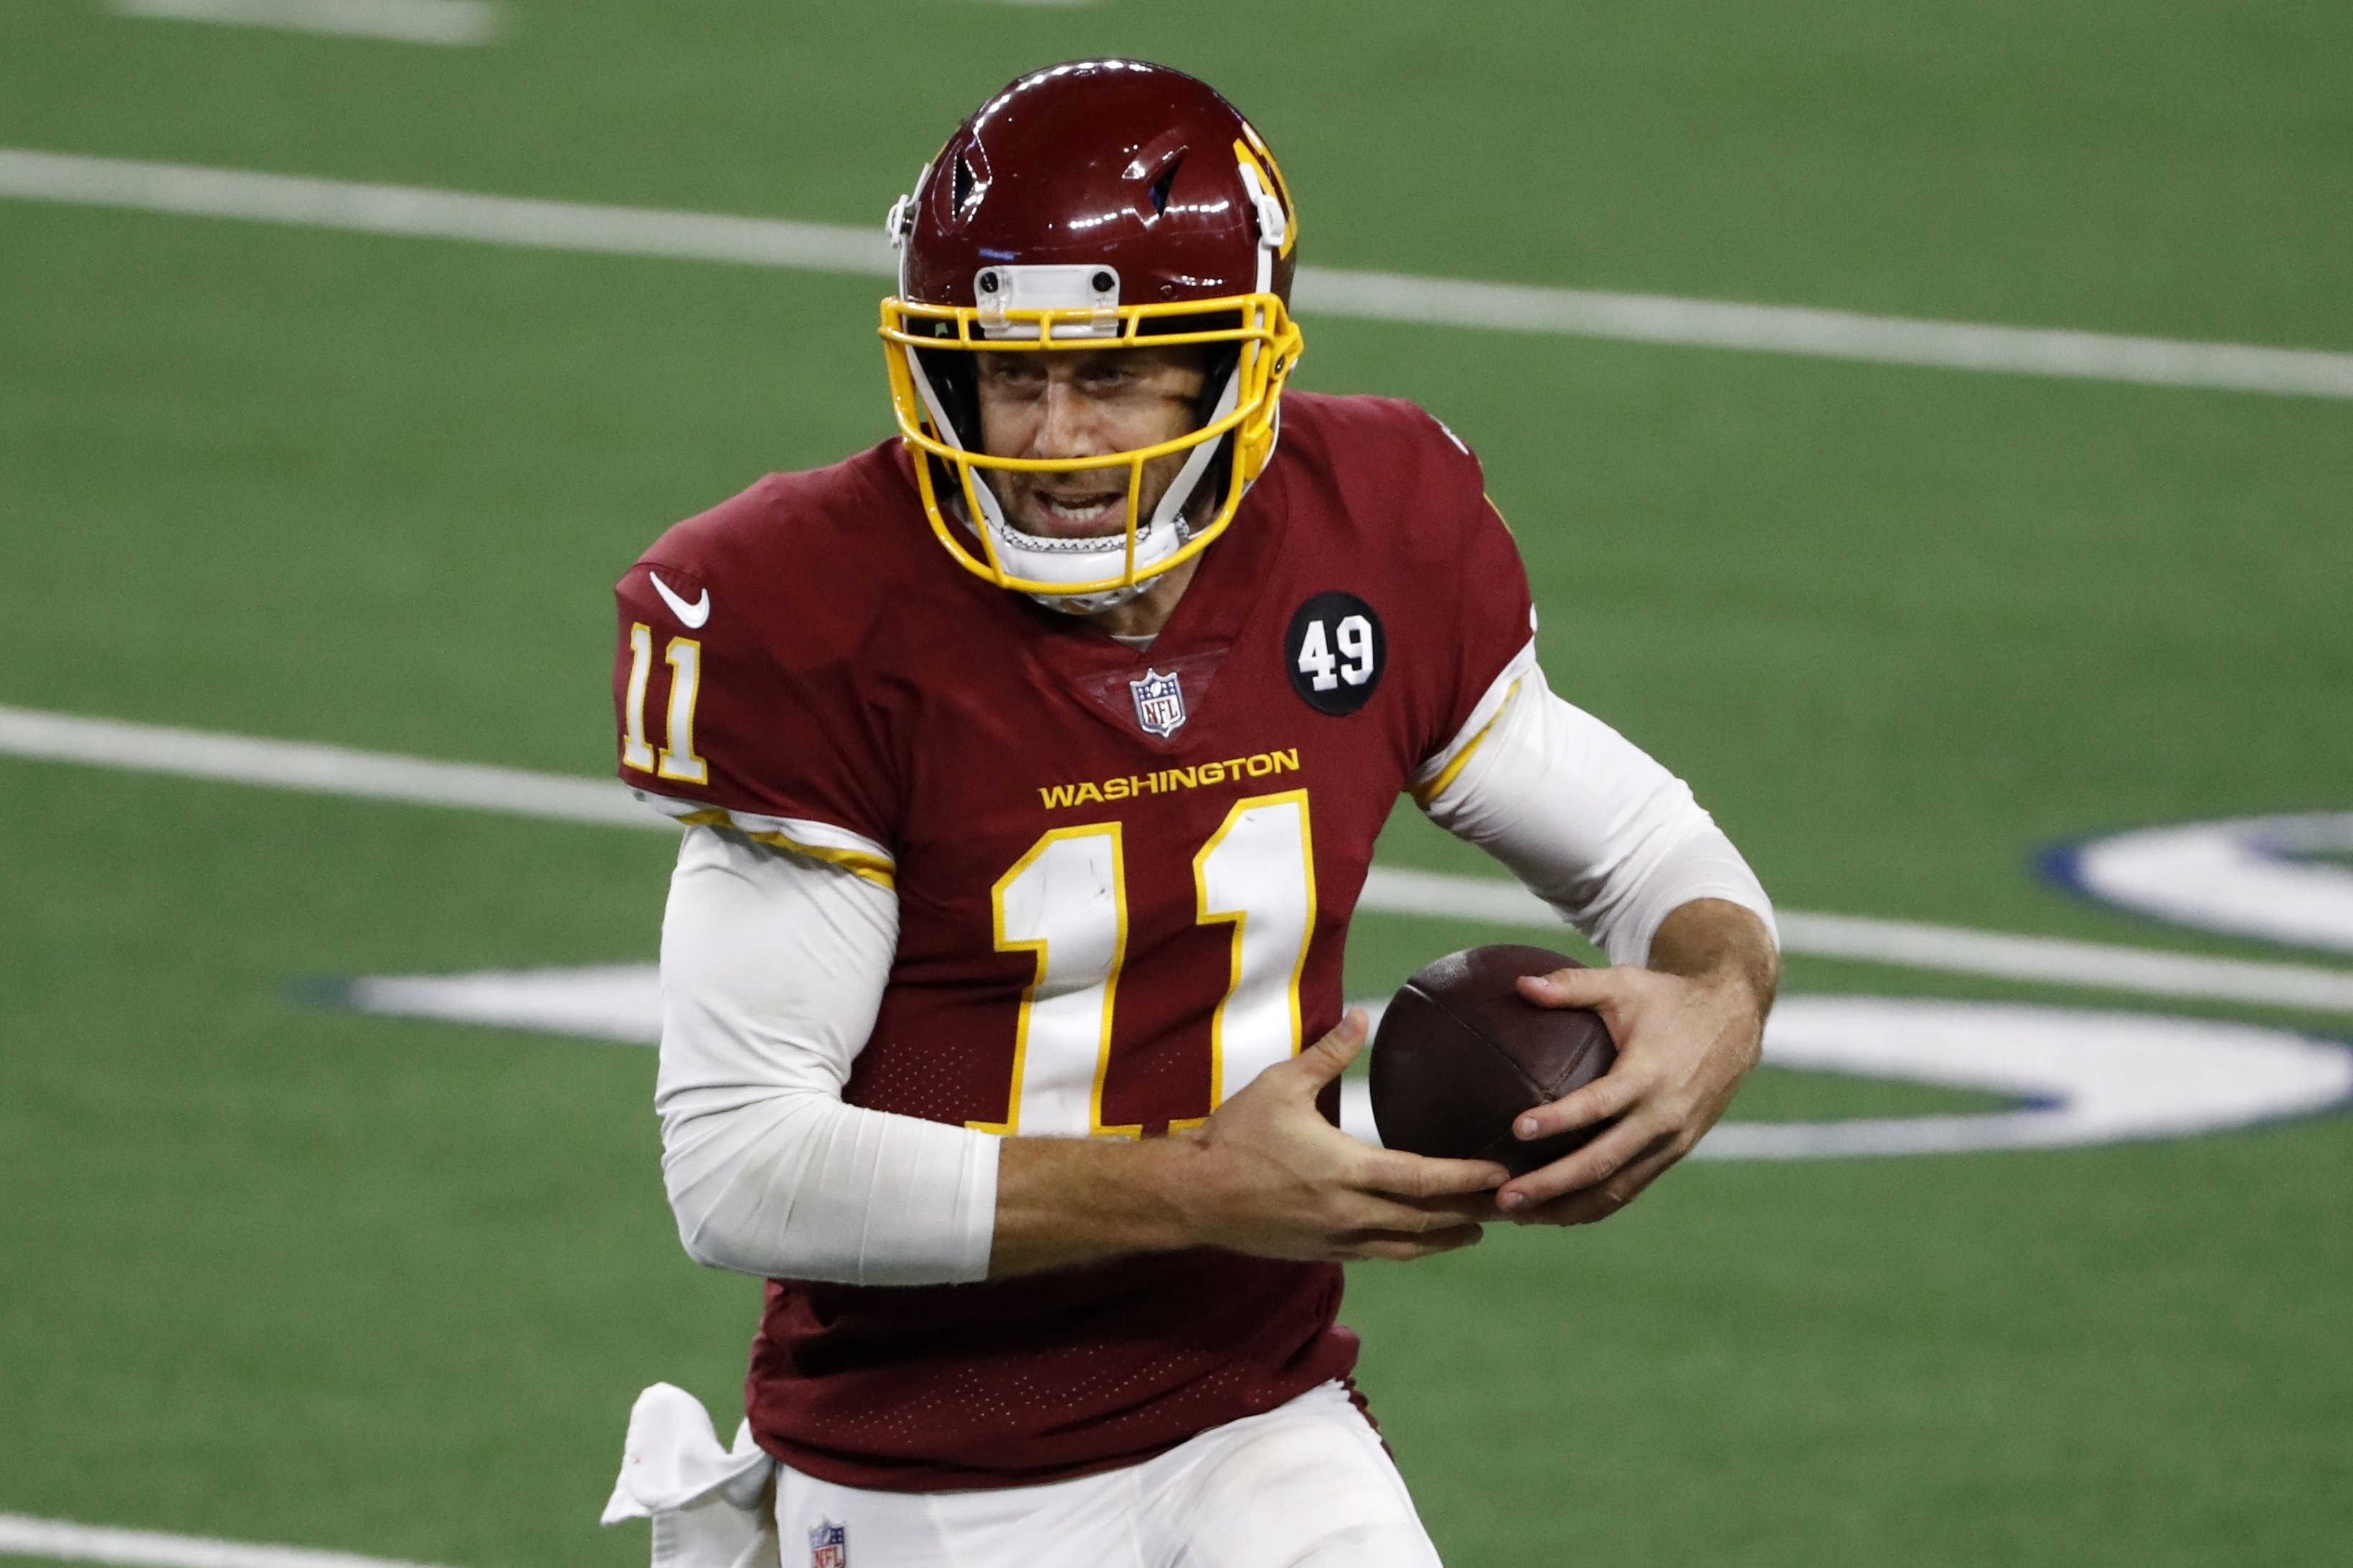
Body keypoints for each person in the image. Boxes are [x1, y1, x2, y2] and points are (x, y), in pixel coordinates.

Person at [601, 57, 1778, 1568]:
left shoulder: (1372, 525)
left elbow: (1640, 847)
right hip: (926, 1473)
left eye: (1111, 373)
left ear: (1239, 362)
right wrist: (1200, 1185)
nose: (1048, 438)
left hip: (1253, 1420)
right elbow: (738, 1164)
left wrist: (1714, 1000)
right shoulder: (812, 611)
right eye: (1006, 373)